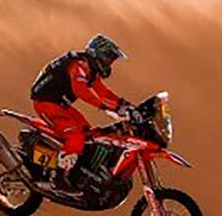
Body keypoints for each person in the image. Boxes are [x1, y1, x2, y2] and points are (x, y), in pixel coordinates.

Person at [29, 34, 142, 190]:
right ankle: (59, 178)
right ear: (97, 53)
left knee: (88, 134)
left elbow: (103, 92)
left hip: (60, 105)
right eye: (109, 58)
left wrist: (126, 105)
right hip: (46, 103)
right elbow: (81, 90)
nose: (109, 63)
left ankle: (78, 172)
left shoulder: (90, 69)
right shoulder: (79, 65)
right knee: (75, 135)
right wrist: (108, 107)